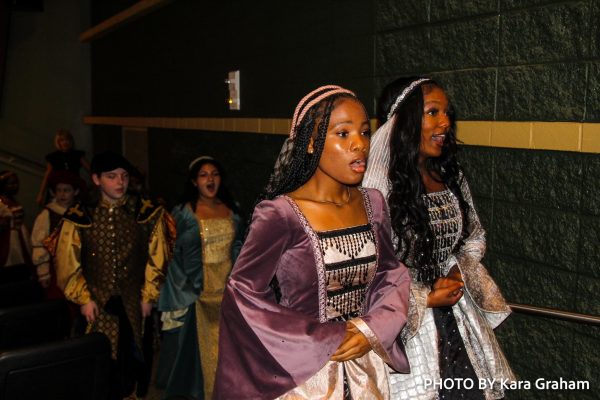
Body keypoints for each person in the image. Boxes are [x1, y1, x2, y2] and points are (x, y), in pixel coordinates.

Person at [214, 85, 411, 399]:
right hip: (306, 377)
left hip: (366, 368)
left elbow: (392, 274)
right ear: (309, 143)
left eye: (364, 132)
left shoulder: (373, 203)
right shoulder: (280, 214)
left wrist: (372, 329)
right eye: (343, 134)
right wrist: (321, 339)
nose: (359, 145)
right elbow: (243, 295)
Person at [363, 77, 515, 399]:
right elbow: (366, 271)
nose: (445, 122)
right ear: (402, 122)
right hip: (405, 330)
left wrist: (458, 271)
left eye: (447, 113)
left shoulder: (450, 176)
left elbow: (474, 237)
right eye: (432, 112)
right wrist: (425, 298)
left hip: (457, 321)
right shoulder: (376, 190)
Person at [48, 151, 175, 400]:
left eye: (124, 176)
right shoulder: (80, 214)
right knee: (100, 361)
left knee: (134, 359)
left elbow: (156, 256)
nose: (120, 182)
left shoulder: (145, 211)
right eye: (112, 176)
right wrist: (83, 298)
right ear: (96, 179)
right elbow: (67, 261)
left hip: (133, 300)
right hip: (96, 300)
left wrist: (149, 295)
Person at [157, 155, 244, 400]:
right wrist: (185, 289)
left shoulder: (232, 209)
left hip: (227, 295)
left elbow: (238, 246)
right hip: (197, 296)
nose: (210, 179)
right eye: (204, 175)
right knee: (197, 357)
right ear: (194, 181)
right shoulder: (183, 214)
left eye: (214, 174)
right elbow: (170, 254)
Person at [31, 170, 83, 299]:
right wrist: (43, 272)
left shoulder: (81, 212)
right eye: (59, 190)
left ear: (75, 192)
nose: (62, 194)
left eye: (67, 190)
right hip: (57, 268)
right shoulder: (48, 214)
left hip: (80, 268)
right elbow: (39, 244)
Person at [36, 129, 90, 206]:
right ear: (58, 142)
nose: (65, 142)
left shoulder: (77, 155)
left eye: (67, 140)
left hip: (74, 189)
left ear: (71, 141)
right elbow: (47, 175)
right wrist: (41, 194)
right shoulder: (53, 157)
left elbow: (90, 170)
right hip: (57, 189)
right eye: (62, 140)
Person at [0, 170, 33, 282]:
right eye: (11, 183)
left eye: (16, 183)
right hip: (8, 239)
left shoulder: (13, 201)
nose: (15, 186)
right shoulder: (1, 203)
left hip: (21, 235)